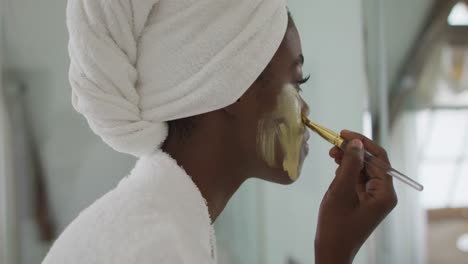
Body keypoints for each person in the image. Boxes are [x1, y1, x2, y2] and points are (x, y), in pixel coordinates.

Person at [43, 0, 397, 263]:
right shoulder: (153, 248)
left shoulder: (161, 227)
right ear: (231, 88)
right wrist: (336, 254)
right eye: (297, 82)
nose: (306, 112)